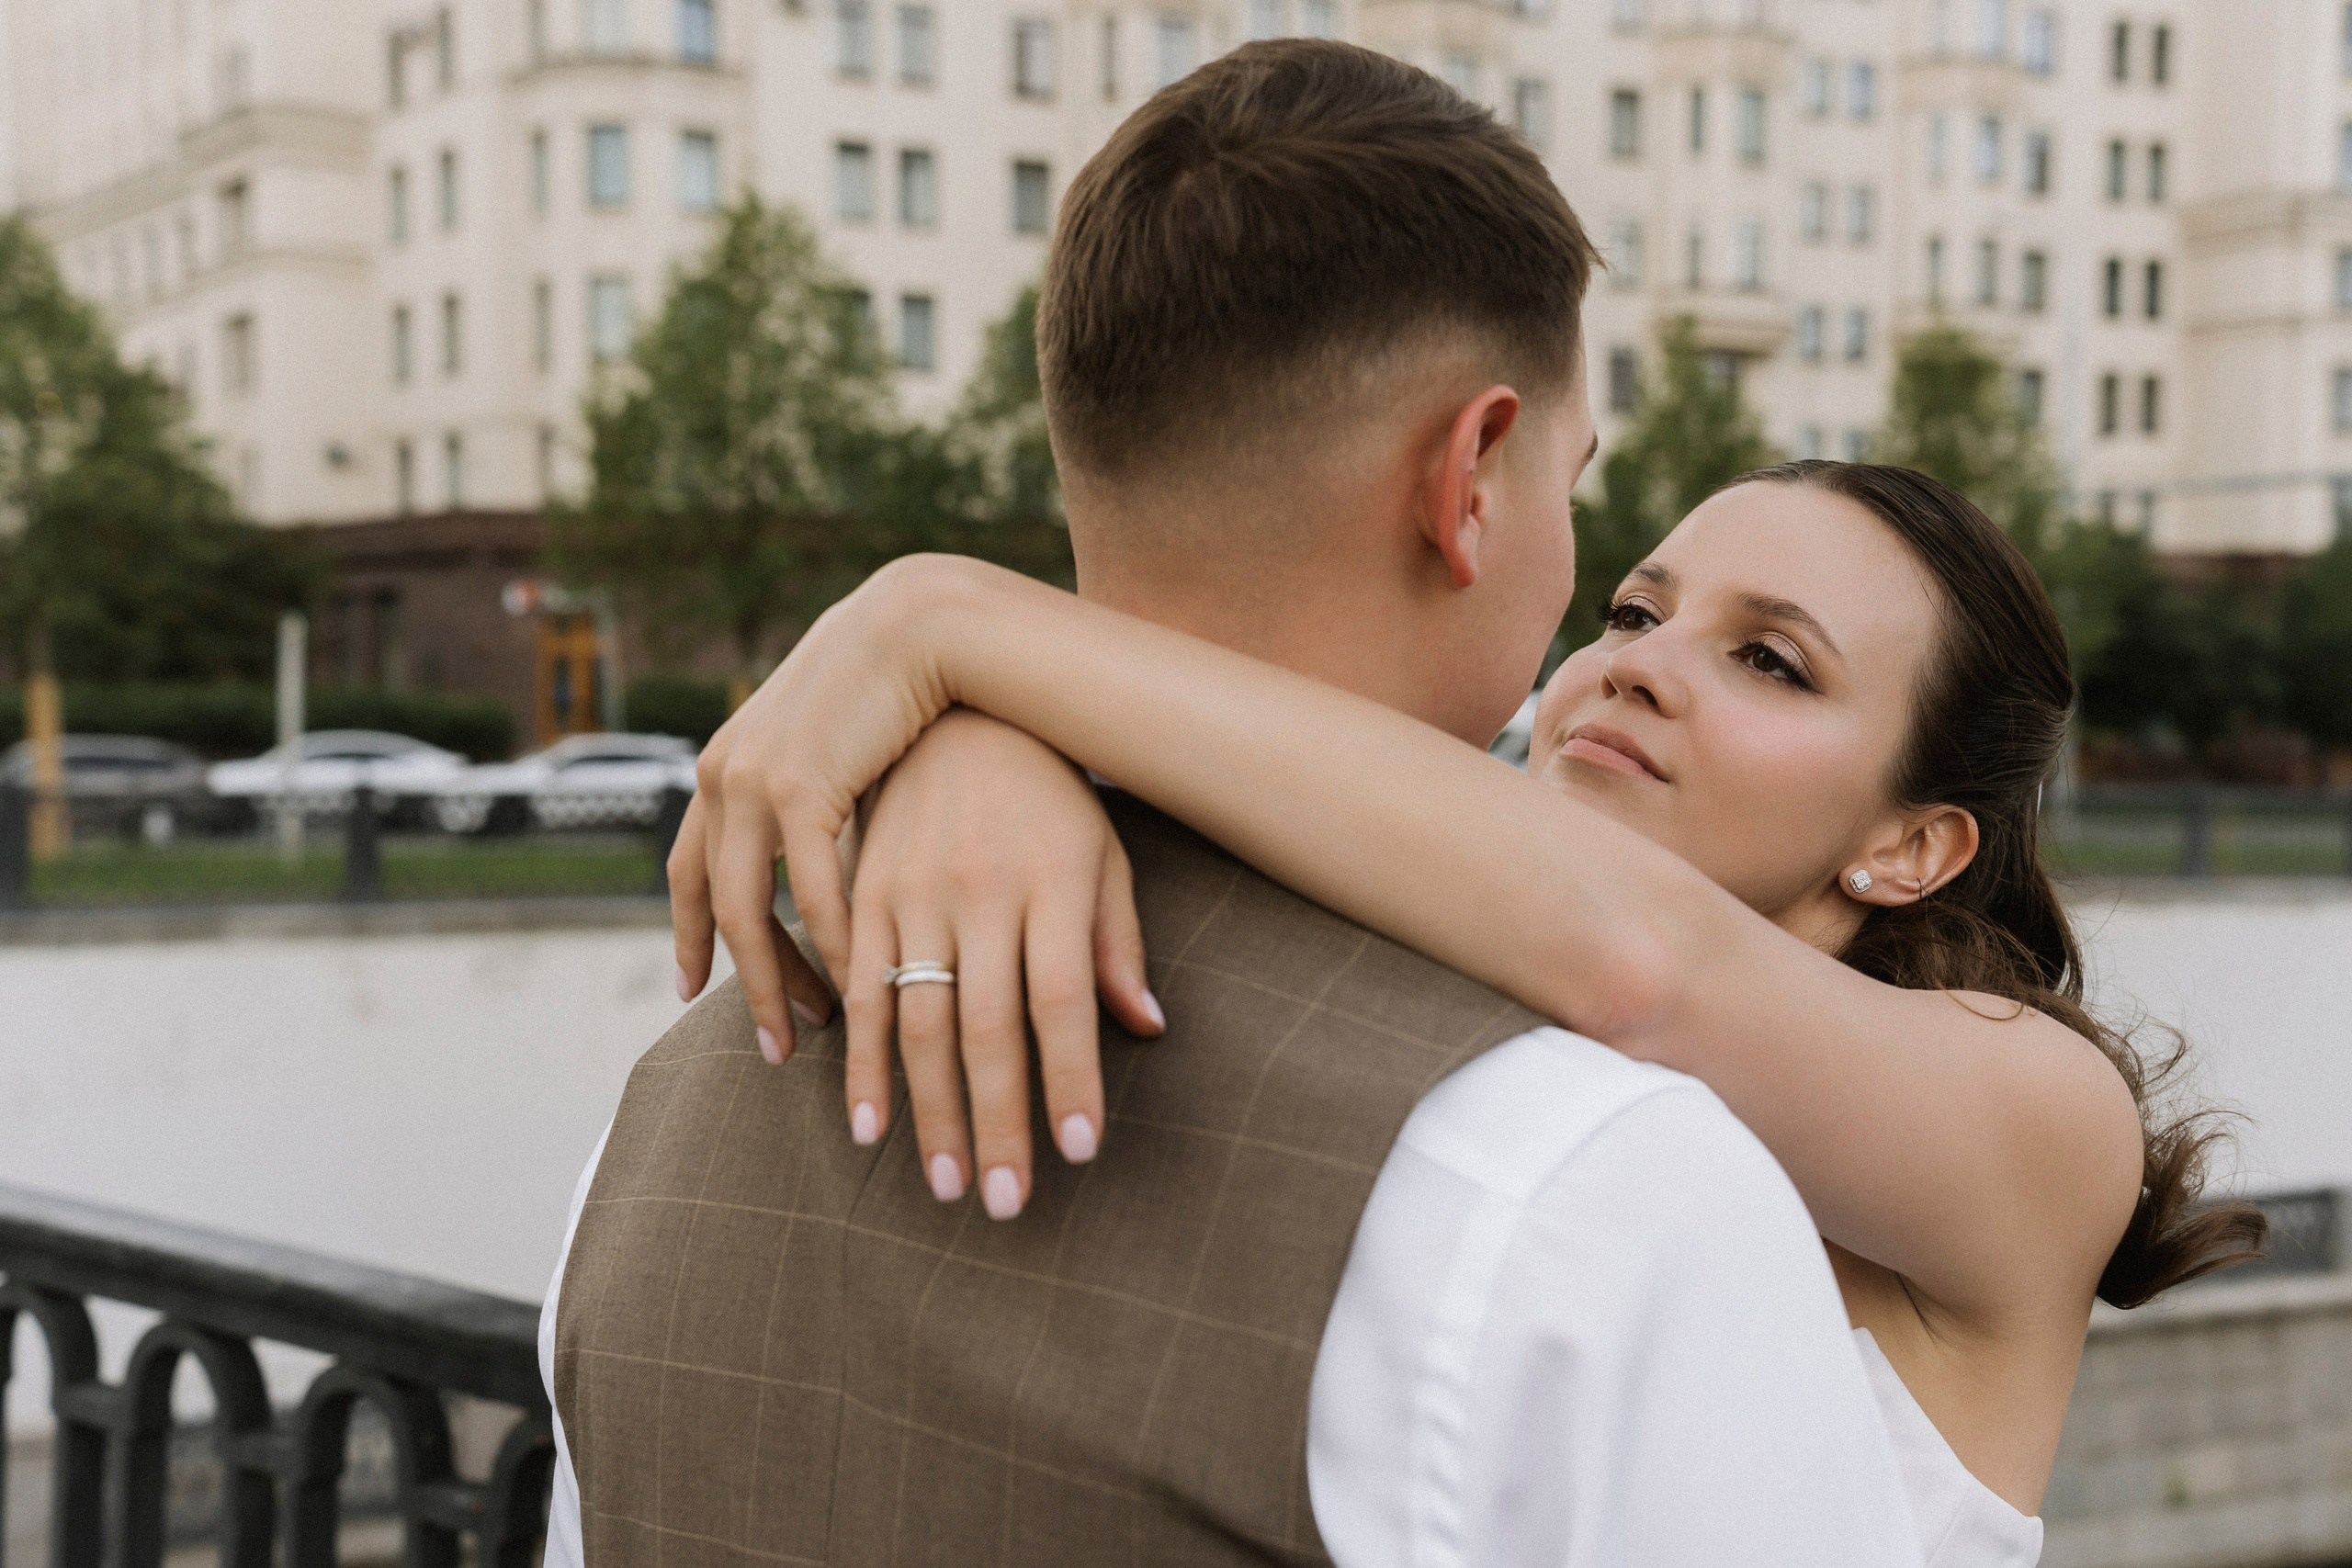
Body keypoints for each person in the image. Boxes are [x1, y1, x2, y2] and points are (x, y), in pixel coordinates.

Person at [545, 38, 1933, 1568]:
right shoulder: (1594, 1183)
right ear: (1470, 475)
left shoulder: (667, 1106)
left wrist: (961, 679)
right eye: (1573, 484)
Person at [679, 468, 2276, 1562]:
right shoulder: (1494, 981)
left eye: (1772, 663)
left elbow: (1649, 968)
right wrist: (998, 754)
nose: (1641, 670)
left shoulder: (2042, 1120)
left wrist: (949, 625)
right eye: (1637, 615)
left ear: (1912, 846)